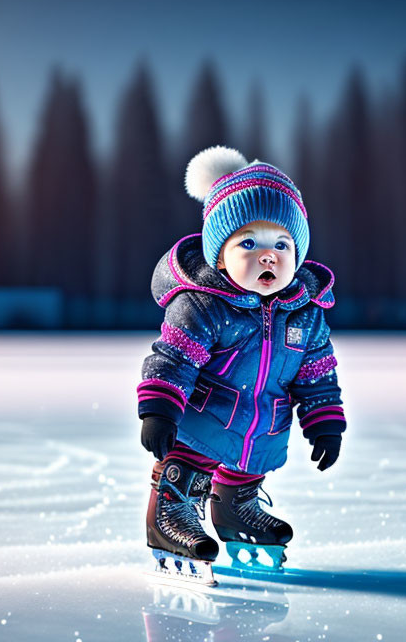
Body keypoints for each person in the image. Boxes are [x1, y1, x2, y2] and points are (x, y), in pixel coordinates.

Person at [138, 146, 346, 574]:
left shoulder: (306, 315)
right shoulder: (204, 304)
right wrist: (158, 408)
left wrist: (325, 422)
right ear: (220, 255)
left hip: (263, 419)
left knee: (251, 465)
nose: (268, 255)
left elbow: (318, 377)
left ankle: (235, 508)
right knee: (190, 460)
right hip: (204, 415)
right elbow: (174, 357)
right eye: (248, 243)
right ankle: (170, 513)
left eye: (282, 244)